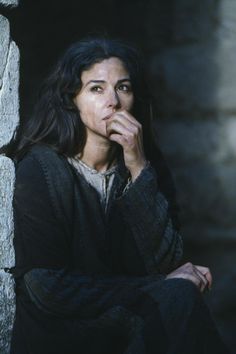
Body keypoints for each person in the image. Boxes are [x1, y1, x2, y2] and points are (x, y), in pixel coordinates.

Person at [2, 37, 228, 354]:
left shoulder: (147, 167)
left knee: (179, 301)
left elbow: (164, 262)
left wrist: (138, 168)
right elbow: (46, 287)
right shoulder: (40, 169)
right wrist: (160, 287)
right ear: (72, 99)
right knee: (177, 297)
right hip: (63, 331)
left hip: (129, 321)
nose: (114, 101)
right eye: (97, 88)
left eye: (123, 88)